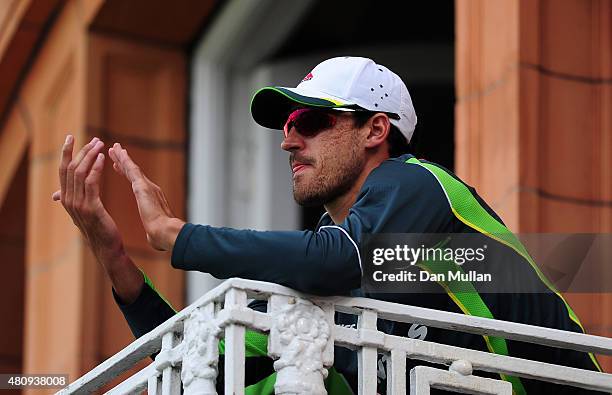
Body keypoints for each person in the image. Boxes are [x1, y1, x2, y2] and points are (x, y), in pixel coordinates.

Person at [54, 56, 602, 394]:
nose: (289, 140)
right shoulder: (323, 266)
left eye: (312, 121)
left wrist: (177, 236)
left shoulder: (417, 185)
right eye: (288, 125)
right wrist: (115, 258)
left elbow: (338, 260)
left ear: (375, 130)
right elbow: (210, 371)